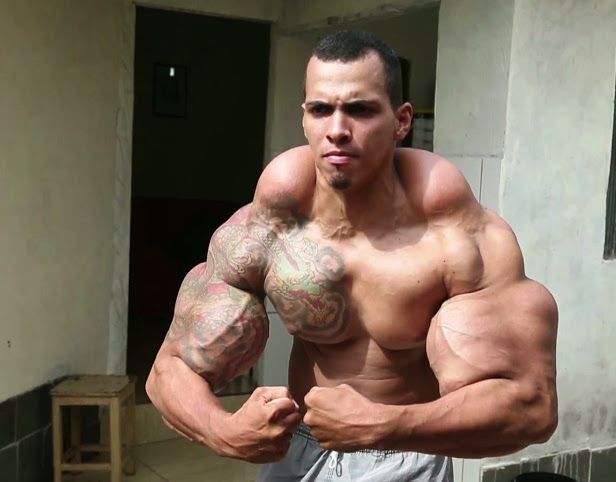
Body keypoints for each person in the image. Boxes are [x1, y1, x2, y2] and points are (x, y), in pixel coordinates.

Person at [146, 30, 558, 481]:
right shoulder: (270, 226)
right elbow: (169, 369)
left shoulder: (457, 237)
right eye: (321, 109)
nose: (337, 130)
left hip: (404, 454)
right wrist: (225, 431)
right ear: (304, 118)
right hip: (299, 450)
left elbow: (532, 405)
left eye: (360, 109)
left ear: (401, 121)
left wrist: (386, 426)